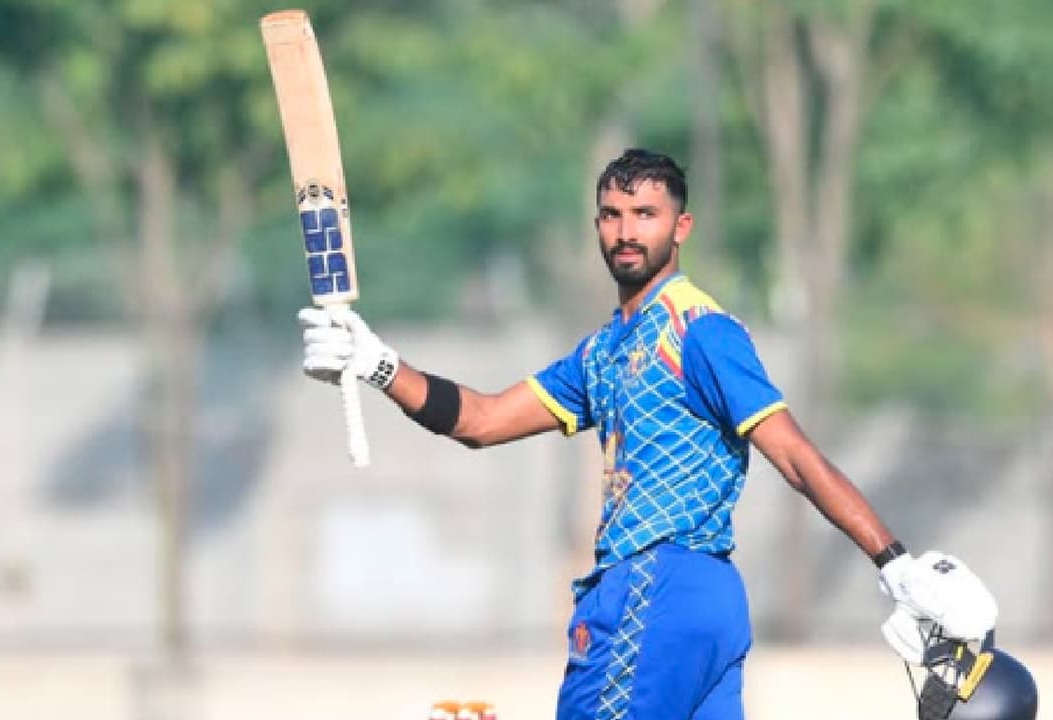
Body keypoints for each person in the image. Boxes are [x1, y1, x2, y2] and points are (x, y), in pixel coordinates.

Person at [299, 148, 999, 719]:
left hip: (656, 584)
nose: (626, 231)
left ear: (681, 227)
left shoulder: (700, 330)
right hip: (704, 607)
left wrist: (894, 563)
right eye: (612, 215)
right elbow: (480, 420)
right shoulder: (601, 352)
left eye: (645, 214)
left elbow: (793, 454)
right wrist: (377, 363)